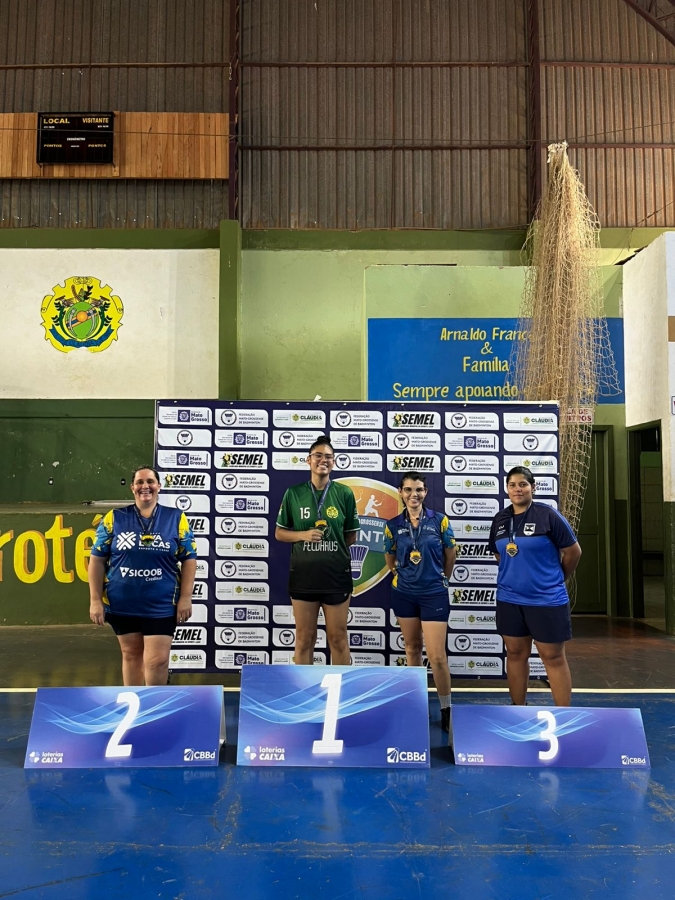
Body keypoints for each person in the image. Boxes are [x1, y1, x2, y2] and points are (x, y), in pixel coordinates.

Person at [88, 466, 197, 686]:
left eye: (150, 481)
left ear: (159, 486)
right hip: (123, 602)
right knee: (131, 655)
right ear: (132, 487)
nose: (145, 486)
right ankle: (135, 704)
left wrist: (186, 597)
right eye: (139, 482)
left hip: (162, 603)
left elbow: (189, 559)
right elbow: (97, 560)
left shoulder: (176, 518)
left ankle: (154, 704)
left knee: (157, 662)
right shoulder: (114, 518)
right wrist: (95, 599)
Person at [488, 466, 582, 706]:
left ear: (533, 487)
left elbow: (573, 552)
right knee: (515, 654)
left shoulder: (548, 515)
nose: (517, 489)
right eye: (512, 485)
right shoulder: (500, 519)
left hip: (546, 600)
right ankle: (518, 709)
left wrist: (557, 578)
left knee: (553, 657)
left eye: (523, 484)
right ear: (506, 489)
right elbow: (500, 555)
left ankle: (563, 715)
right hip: (510, 600)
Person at [275, 436, 359, 665]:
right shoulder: (293, 493)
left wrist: (330, 551)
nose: (323, 460)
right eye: (318, 456)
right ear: (308, 460)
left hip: (336, 576)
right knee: (304, 639)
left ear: (334, 462)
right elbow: (280, 533)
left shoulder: (344, 493)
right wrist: (303, 535)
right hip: (304, 576)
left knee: (338, 639)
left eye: (328, 457)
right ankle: (307, 689)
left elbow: (351, 536)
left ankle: (341, 689)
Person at [383, 472, 457, 733]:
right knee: (412, 649)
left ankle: (446, 709)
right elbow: (390, 558)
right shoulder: (392, 525)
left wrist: (441, 579)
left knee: (437, 656)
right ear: (401, 492)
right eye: (408, 490)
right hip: (404, 593)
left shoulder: (440, 520)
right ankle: (417, 705)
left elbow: (450, 554)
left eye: (418, 490)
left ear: (425, 492)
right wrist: (401, 576)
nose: (413, 494)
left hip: (433, 593)